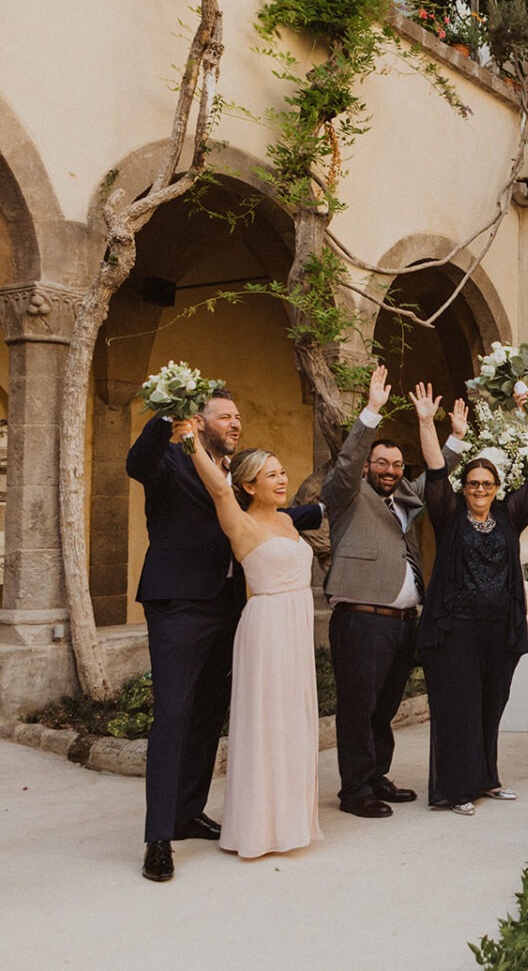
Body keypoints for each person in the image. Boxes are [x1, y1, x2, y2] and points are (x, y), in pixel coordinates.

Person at [127, 388, 320, 882]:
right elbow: (136, 463)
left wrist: (307, 514)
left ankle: (188, 811)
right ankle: (157, 837)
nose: (235, 423)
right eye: (225, 416)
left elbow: (251, 521)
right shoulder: (169, 459)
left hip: (232, 608)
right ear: (198, 419)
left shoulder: (234, 475)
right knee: (173, 713)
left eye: (239, 416)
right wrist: (165, 418)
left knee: (210, 713)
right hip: (180, 602)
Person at [322, 366, 467, 819]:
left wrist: (454, 437)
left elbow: (438, 476)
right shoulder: (348, 495)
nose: (389, 470)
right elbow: (345, 466)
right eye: (382, 463)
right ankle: (354, 790)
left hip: (402, 623)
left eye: (397, 465)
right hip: (362, 617)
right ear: (368, 466)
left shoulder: (405, 496)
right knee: (358, 706)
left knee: (384, 707)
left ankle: (375, 776)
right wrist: (370, 412)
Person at [414, 384, 528, 815]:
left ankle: (487, 779)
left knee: (490, 704)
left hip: (499, 630)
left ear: (498, 488)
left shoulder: (507, 515)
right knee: (459, 708)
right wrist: (428, 422)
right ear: (465, 488)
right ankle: (456, 789)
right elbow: (436, 470)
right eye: (473, 483)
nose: (480, 489)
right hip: (455, 630)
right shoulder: (448, 515)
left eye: (487, 484)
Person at [180, 429, 321, 858]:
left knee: (294, 718)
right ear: (247, 486)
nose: (281, 480)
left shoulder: (287, 520)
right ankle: (258, 828)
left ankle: (292, 823)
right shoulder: (239, 521)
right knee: (266, 721)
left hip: (297, 624)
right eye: (270, 475)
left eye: (282, 472)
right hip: (267, 626)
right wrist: (191, 440)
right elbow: (217, 488)